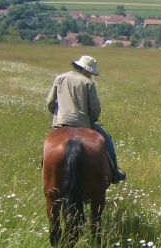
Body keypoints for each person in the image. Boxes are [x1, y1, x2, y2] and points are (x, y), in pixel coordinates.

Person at [46, 55, 126, 184]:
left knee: (49, 144)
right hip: (83, 124)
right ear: (86, 70)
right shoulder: (88, 83)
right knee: (107, 140)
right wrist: (93, 118)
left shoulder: (59, 78)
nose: (91, 75)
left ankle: (45, 165)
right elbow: (95, 108)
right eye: (91, 73)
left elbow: (50, 102)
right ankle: (115, 171)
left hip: (61, 123)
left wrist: (56, 115)